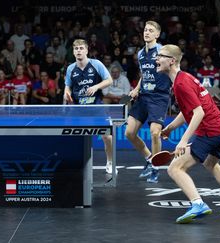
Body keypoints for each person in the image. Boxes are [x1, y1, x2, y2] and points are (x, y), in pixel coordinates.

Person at [156, 44, 220, 224]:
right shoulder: (184, 78)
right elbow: (187, 111)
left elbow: (198, 113)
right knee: (211, 164)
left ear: (172, 61)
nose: (156, 59)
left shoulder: (181, 84)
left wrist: (183, 140)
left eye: (160, 56)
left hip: (210, 132)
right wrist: (170, 128)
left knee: (174, 168)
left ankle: (198, 204)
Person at [125, 21, 172, 183]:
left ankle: (155, 167)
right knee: (129, 133)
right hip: (143, 96)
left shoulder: (162, 51)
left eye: (151, 30)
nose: (147, 33)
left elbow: (173, 68)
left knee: (154, 132)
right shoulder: (140, 53)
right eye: (145, 30)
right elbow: (144, 74)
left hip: (159, 97)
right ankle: (149, 157)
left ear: (157, 35)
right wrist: (137, 88)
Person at [64, 39, 115, 174]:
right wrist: (67, 94)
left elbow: (109, 80)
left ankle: (110, 162)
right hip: (78, 108)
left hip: (96, 106)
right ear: (74, 52)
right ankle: (74, 163)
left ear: (86, 50)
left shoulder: (96, 64)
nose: (79, 51)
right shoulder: (70, 68)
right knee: (72, 137)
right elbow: (67, 87)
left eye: (81, 48)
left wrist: (96, 86)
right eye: (76, 49)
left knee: (108, 136)